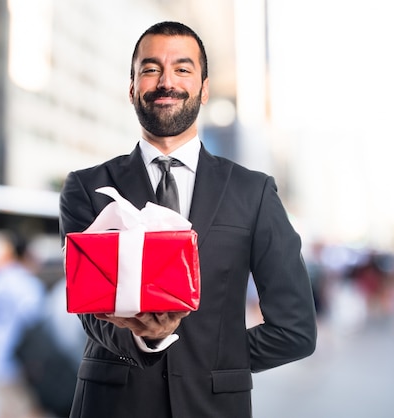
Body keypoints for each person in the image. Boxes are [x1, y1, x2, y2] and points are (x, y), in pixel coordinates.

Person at [59, 21, 317, 418]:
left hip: (213, 406)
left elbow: (295, 330)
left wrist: (209, 363)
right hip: (112, 406)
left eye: (182, 69)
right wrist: (147, 342)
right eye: (150, 69)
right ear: (132, 88)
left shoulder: (253, 192)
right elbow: (90, 311)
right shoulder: (86, 188)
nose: (166, 81)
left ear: (204, 88)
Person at [0, 232, 46, 418]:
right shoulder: (28, 283)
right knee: (30, 410)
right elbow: (35, 323)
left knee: (8, 408)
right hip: (19, 360)